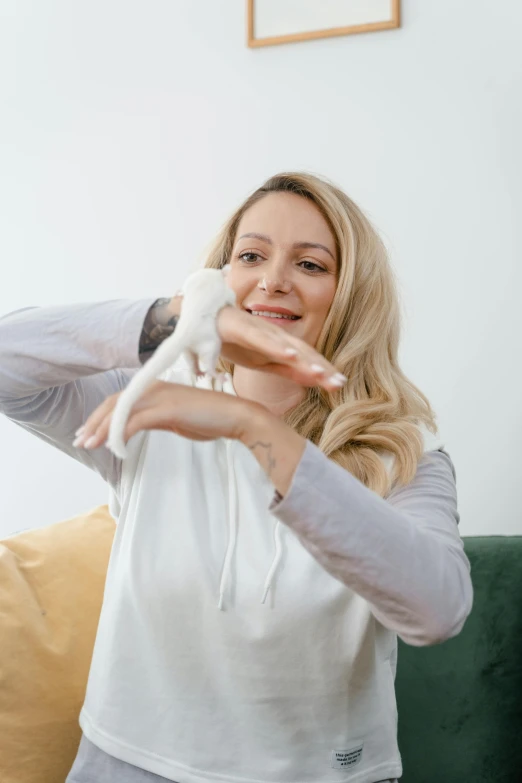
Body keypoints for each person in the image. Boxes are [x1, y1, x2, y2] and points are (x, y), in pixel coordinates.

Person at [0, 172, 473, 783]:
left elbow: (437, 610)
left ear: (351, 294)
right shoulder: (149, 405)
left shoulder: (404, 458)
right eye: (251, 256)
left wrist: (254, 429)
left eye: (310, 264)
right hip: (130, 764)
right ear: (218, 283)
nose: (273, 279)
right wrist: (169, 320)